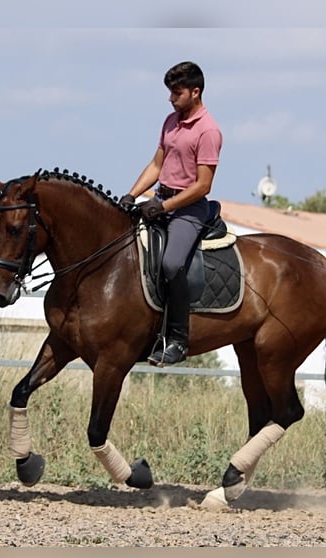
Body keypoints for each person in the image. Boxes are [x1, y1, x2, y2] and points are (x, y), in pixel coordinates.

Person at [120, 61, 223, 366]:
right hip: (160, 200)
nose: (171, 98)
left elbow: (203, 185)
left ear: (195, 91)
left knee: (171, 262)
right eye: (170, 93)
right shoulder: (170, 121)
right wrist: (132, 194)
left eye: (176, 93)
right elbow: (156, 166)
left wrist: (163, 207)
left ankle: (177, 339)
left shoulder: (209, 131)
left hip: (188, 209)